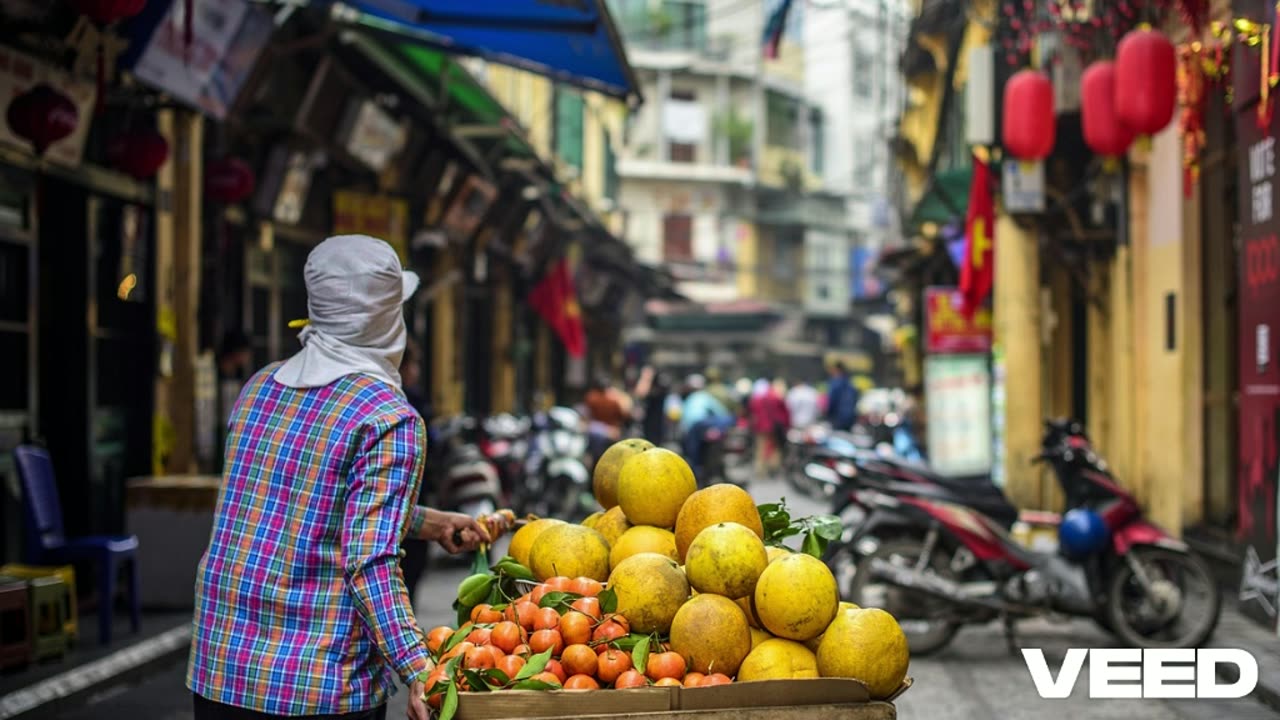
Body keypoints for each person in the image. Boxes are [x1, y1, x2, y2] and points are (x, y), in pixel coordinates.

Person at [188, 235, 489, 720]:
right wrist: (419, 670)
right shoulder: (388, 417)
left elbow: (302, 499)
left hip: (223, 671)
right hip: (317, 684)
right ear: (389, 320)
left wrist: (426, 522)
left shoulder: (260, 387)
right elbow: (369, 561)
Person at [399, 340, 431, 608]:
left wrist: (437, 523)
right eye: (414, 364)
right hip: (413, 495)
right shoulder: (401, 410)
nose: (417, 370)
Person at [679, 374, 734, 475]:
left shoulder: (688, 399)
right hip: (702, 424)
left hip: (692, 429)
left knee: (694, 451)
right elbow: (721, 412)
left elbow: (683, 420)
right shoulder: (704, 396)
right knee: (728, 418)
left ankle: (696, 469)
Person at [748, 378, 790, 473]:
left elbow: (752, 411)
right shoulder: (777, 398)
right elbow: (785, 414)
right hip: (774, 427)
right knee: (775, 447)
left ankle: (760, 469)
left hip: (760, 427)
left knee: (760, 448)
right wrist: (786, 425)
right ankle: (773, 467)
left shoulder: (758, 398)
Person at [826, 361, 860, 432]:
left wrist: (827, 415)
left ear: (837, 369)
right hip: (850, 419)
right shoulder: (850, 383)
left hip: (837, 418)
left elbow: (832, 402)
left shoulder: (835, 383)